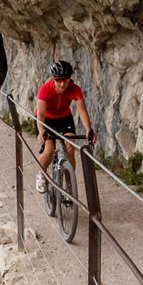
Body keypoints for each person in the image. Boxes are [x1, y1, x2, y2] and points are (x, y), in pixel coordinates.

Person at [34, 60, 96, 194]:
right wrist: (41, 132)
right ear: (54, 79)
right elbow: (41, 114)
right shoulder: (45, 89)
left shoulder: (75, 89)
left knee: (70, 149)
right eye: (59, 80)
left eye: (66, 80)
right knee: (49, 150)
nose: (62, 84)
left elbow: (82, 110)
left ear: (70, 79)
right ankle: (41, 174)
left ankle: (69, 185)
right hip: (46, 120)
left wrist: (88, 129)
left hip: (64, 118)